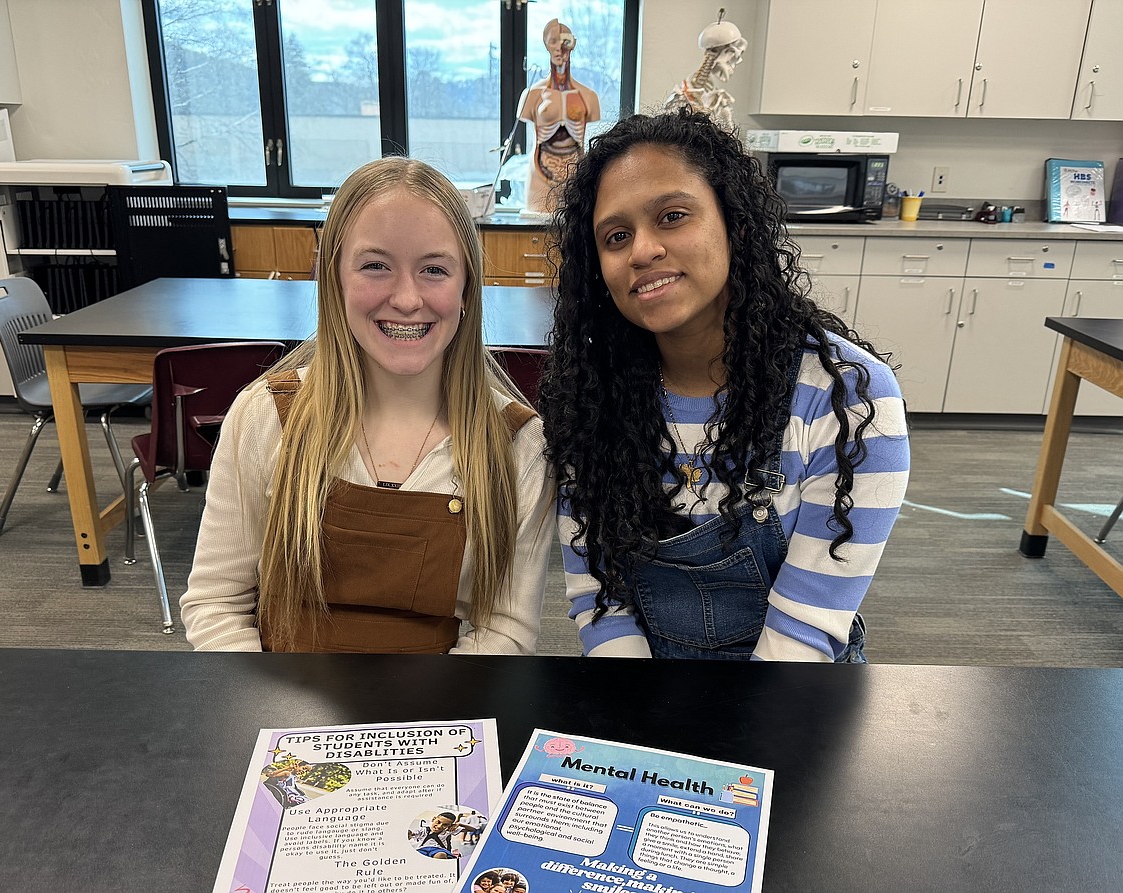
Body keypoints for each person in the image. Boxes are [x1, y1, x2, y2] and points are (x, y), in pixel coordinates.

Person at [540, 109, 910, 662]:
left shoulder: (846, 400)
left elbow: (804, 634)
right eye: (616, 237)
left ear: (734, 224)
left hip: (786, 698)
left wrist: (714, 746)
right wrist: (645, 735)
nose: (641, 250)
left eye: (671, 216)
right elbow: (601, 603)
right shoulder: (590, 400)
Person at [179, 157, 554, 652]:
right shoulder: (265, 417)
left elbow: (505, 632)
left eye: (434, 270)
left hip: (440, 717)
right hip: (281, 713)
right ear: (334, 277)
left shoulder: (518, 445)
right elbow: (216, 604)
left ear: (467, 287)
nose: (405, 298)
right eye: (376, 266)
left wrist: (424, 730)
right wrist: (278, 719)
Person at [517, 18, 601, 214]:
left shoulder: (588, 96)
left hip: (576, 174)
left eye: (564, 42)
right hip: (539, 174)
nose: (559, 48)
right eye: (553, 41)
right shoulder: (532, 94)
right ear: (546, 44)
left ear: (573, 44)